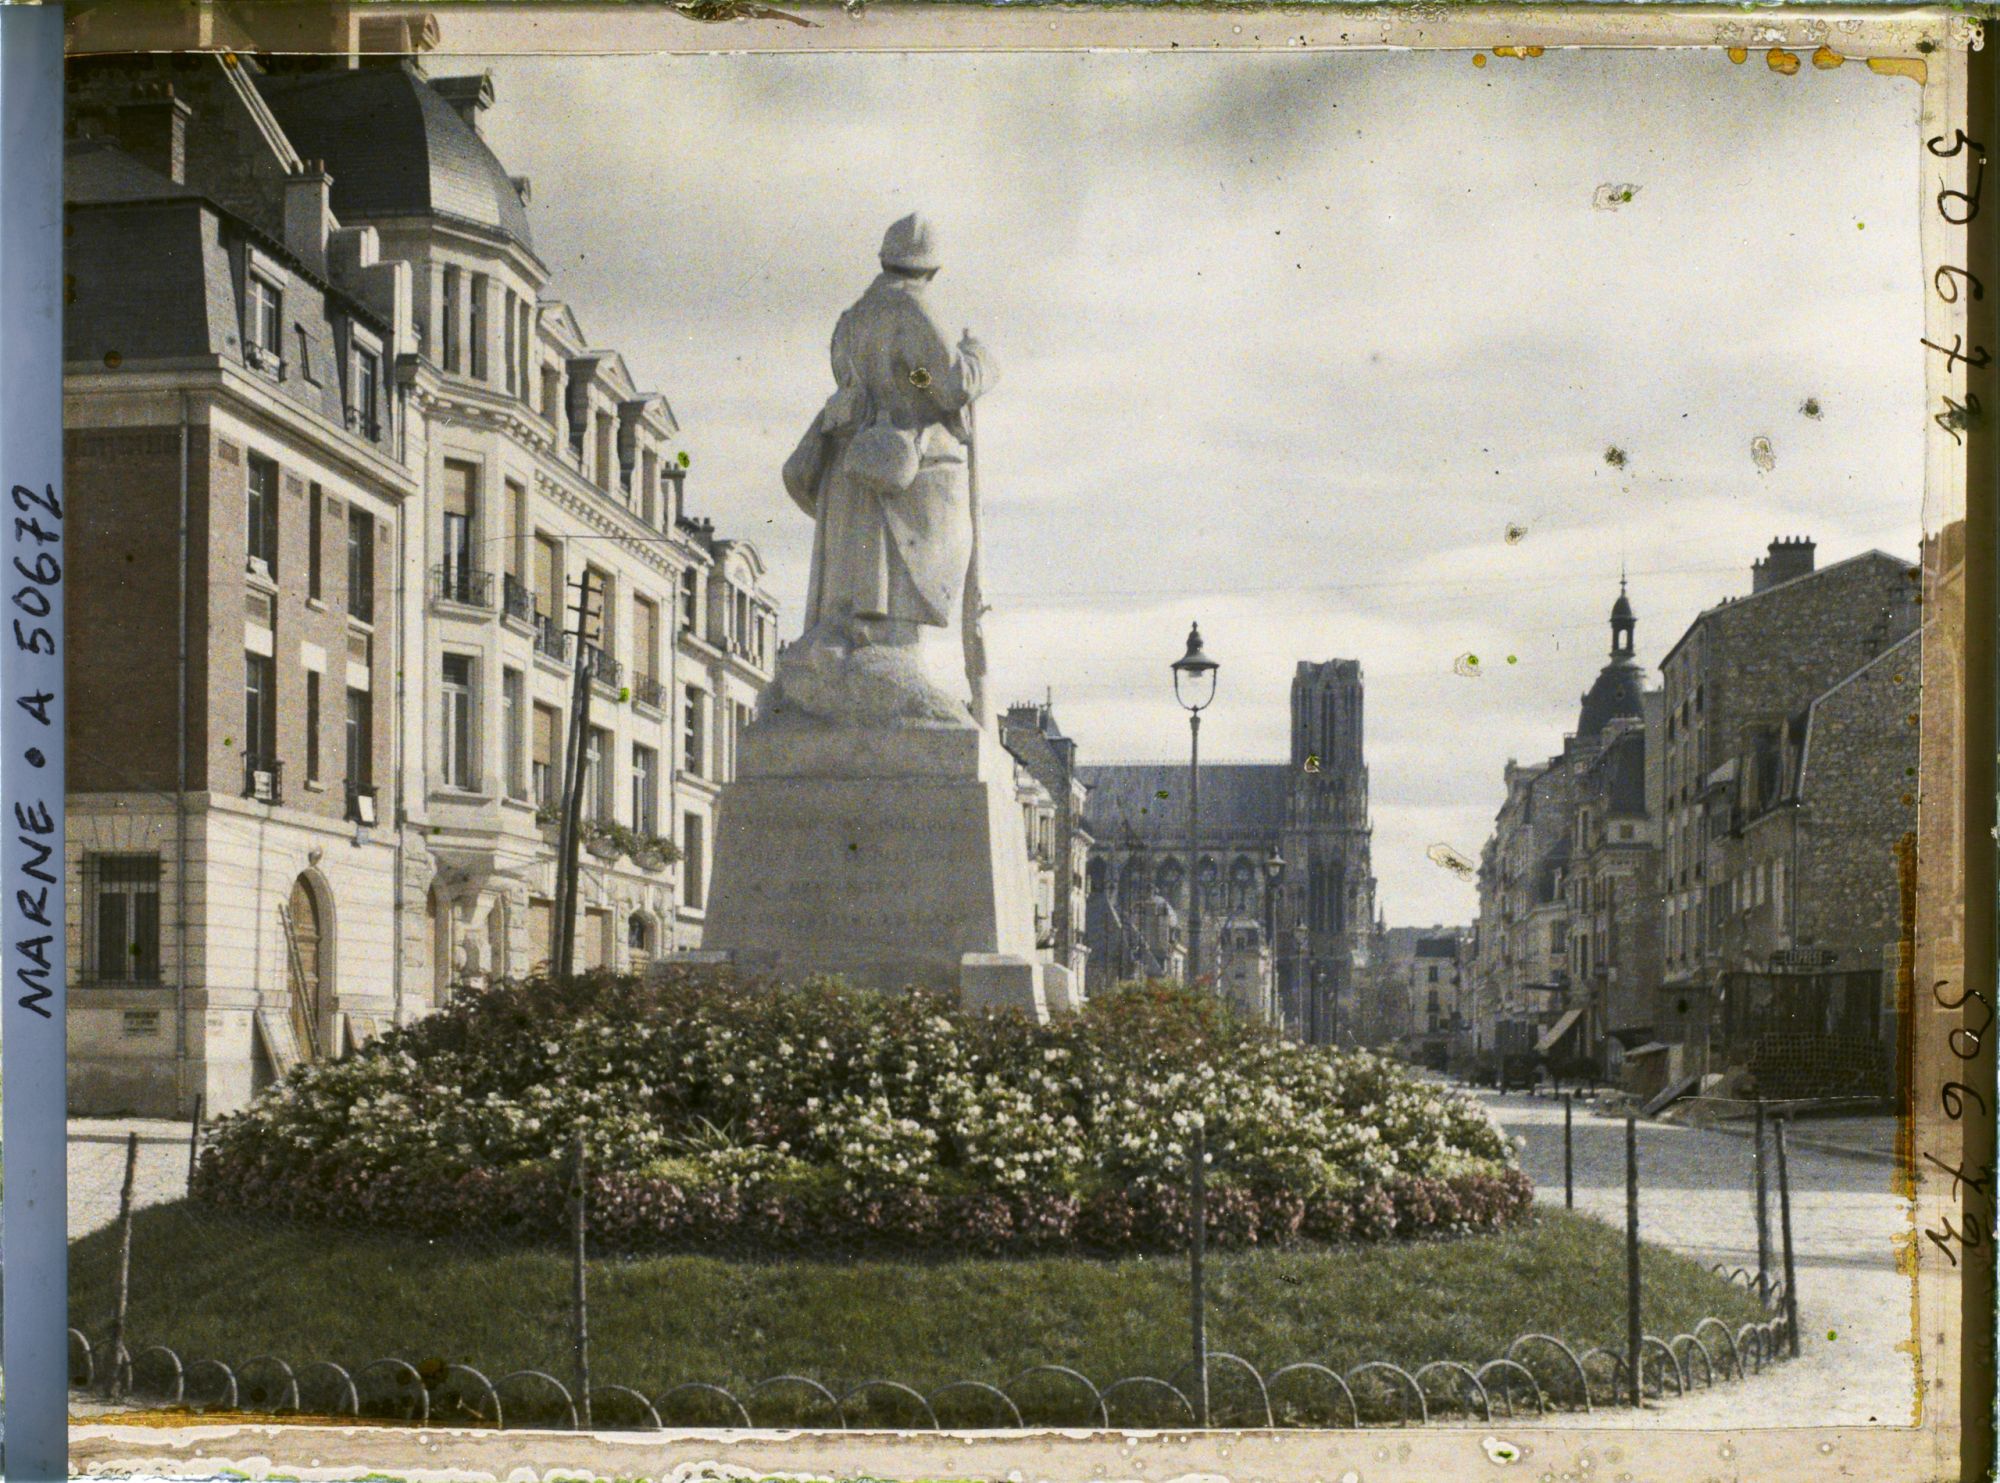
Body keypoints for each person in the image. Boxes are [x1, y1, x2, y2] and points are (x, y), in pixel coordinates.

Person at [783, 213, 998, 667]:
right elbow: (949, 384)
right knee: (891, 605)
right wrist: (979, 359)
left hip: (851, 470)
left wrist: (913, 377)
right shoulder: (911, 308)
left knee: (858, 594)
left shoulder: (850, 320)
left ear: (884, 259)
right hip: (895, 472)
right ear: (932, 270)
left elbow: (907, 376)